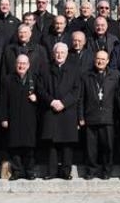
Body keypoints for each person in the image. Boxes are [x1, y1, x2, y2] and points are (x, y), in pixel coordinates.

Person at [37, 42, 81, 180]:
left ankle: (66, 172)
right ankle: (51, 172)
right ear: (53, 53)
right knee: (52, 144)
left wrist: (63, 102)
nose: (59, 55)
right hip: (50, 110)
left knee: (67, 144)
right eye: (57, 52)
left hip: (67, 111)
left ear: (67, 54)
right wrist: (51, 101)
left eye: (62, 52)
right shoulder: (44, 68)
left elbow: (77, 90)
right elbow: (40, 88)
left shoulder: (74, 69)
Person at [79, 50, 120, 180]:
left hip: (108, 117)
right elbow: (81, 98)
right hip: (91, 116)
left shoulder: (115, 75)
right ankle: (91, 170)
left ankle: (106, 170)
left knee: (107, 146)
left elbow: (119, 97)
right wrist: (81, 117)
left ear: (108, 61)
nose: (100, 61)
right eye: (98, 58)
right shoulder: (86, 76)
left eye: (103, 59)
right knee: (91, 148)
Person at [0, 55, 39, 181]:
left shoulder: (35, 79)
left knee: (29, 147)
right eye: (19, 63)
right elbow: (3, 100)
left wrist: (36, 98)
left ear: (28, 65)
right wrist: (3, 118)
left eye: (24, 63)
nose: (21, 66)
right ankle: (17, 171)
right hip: (13, 117)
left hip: (30, 118)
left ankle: (29, 171)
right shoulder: (7, 79)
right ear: (15, 64)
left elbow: (43, 96)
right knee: (14, 146)